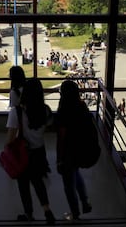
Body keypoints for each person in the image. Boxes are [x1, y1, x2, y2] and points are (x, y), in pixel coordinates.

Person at [5, 78, 55, 225]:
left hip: (23, 154)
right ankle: (47, 210)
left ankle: (29, 214)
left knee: (23, 186)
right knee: (38, 182)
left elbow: (10, 139)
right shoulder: (45, 110)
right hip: (39, 151)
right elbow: (48, 125)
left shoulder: (17, 112)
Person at [55, 80, 92, 221]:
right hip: (80, 148)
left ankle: (75, 213)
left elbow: (62, 137)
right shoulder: (82, 106)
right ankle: (85, 201)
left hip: (68, 151)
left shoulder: (64, 109)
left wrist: (59, 159)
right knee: (76, 174)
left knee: (68, 185)